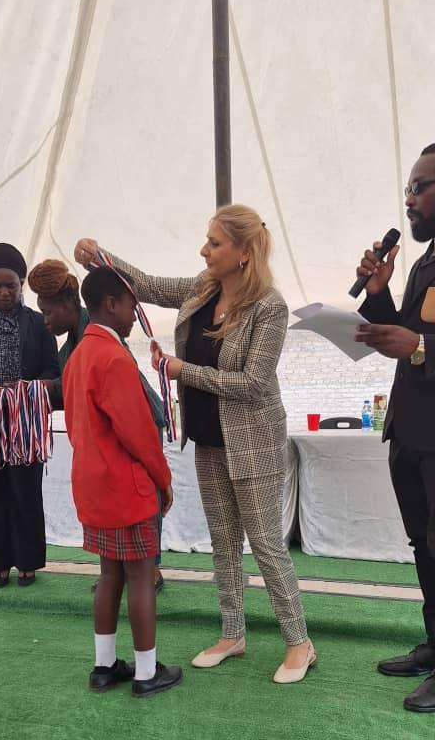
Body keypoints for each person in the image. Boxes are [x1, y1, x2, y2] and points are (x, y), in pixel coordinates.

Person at [74, 204, 313, 684]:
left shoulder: (269, 306)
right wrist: (101, 258)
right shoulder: (204, 288)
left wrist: (183, 371)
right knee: (223, 543)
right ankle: (232, 633)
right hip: (208, 440)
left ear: (243, 252)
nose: (204, 251)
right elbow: (147, 285)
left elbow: (253, 383)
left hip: (253, 443)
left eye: (215, 243)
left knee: (266, 544)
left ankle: (299, 642)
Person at [355, 139, 435, 713]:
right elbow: (403, 336)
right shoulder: (423, 261)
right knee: (425, 545)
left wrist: (420, 345)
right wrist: (378, 297)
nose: (410, 201)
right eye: (407, 190)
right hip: (410, 431)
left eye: (419, 188)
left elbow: (420, 344)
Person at [62, 265, 181, 697]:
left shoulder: (78, 356)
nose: (135, 315)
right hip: (126, 487)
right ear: (111, 304)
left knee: (109, 573)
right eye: (132, 305)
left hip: (91, 484)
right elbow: (139, 433)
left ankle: (104, 666)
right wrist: (163, 479)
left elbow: (76, 427)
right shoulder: (114, 357)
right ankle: (147, 672)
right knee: (142, 575)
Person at [28, 259, 165, 592]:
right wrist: (31, 391)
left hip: (141, 421)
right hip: (120, 426)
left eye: (48, 312)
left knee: (144, 501)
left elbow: (84, 388)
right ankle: (121, 572)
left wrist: (45, 389)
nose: (45, 321)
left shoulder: (98, 334)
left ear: (67, 305)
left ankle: (149, 569)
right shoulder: (76, 340)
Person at [0, 242, 59, 588]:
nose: (4, 292)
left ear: (22, 284)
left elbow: (54, 372)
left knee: (26, 490)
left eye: (11, 286)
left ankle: (28, 562)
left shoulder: (39, 323)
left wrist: (27, 389)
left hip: (26, 419)